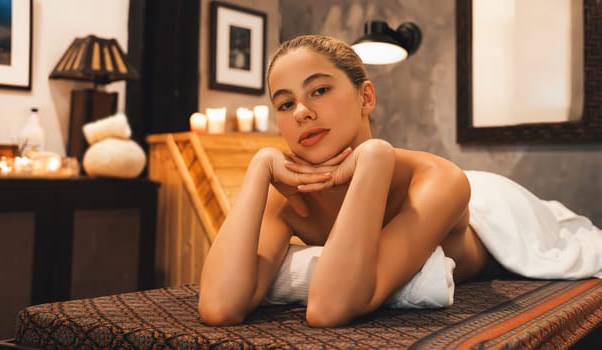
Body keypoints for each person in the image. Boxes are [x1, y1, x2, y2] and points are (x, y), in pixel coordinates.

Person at [198, 35, 601, 328]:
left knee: (572, 233)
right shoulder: (286, 191)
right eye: (285, 103)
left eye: (319, 90)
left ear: (366, 98)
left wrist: (374, 158)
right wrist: (259, 166)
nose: (301, 111)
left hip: (494, 205)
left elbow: (328, 308)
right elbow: (219, 307)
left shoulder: (440, 180)